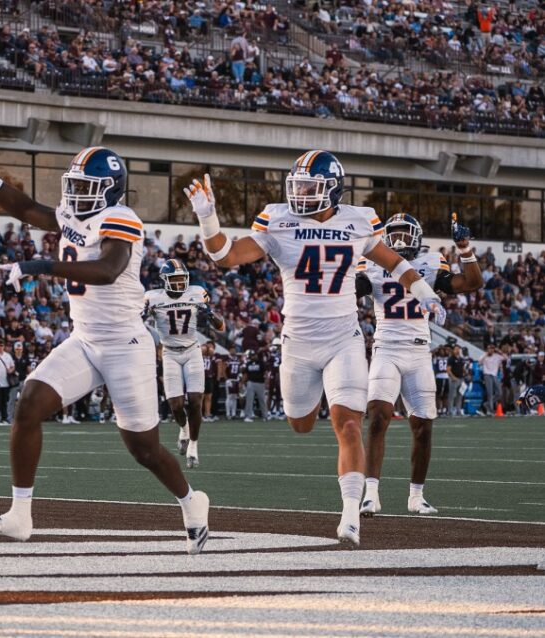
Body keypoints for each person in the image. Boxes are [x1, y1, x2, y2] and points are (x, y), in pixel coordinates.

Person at [0, 141, 209, 554]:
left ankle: (190, 500)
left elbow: (108, 269)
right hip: (85, 339)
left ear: (111, 189)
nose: (76, 194)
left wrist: (40, 266)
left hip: (125, 344)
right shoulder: (75, 215)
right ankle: (20, 516)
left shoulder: (121, 217)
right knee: (28, 403)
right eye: (73, 184)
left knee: (144, 449)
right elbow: (27, 209)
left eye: (86, 186)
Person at [184, 150, 444, 547]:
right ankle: (329, 433)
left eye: (310, 187)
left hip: (344, 338)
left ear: (334, 189)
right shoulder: (278, 219)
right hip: (298, 343)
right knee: (300, 423)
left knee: (349, 424)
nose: (301, 194)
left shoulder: (359, 220)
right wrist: (208, 217)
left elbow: (395, 262)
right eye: (299, 186)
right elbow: (225, 255)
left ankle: (350, 517)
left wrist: (424, 291)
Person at [356, 213, 482, 517]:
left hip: (419, 351)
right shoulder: (372, 261)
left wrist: (465, 249)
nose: (399, 240)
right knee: (377, 417)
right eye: (395, 234)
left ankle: (416, 496)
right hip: (386, 348)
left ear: (417, 236)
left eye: (405, 233)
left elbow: (471, 282)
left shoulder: (431, 261)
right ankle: (370, 494)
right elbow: (355, 288)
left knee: (423, 427)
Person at [142, 259, 224, 468]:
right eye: (175, 279)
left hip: (192, 350)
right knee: (176, 405)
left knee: (195, 400)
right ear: (165, 280)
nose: (180, 283)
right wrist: (141, 315)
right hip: (169, 353)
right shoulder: (153, 298)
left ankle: (193, 446)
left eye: (182, 279)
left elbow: (221, 326)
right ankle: (184, 429)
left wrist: (209, 314)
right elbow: (136, 323)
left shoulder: (196, 293)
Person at [242, 347, 270, 422]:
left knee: (262, 400)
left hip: (260, 383)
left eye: (254, 355)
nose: (254, 356)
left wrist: (267, 382)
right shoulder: (248, 363)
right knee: (249, 400)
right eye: (252, 355)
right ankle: (248, 416)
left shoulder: (261, 363)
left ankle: (265, 416)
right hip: (250, 382)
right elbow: (246, 374)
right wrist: (242, 382)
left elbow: (265, 372)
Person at [479, 344, 505, 415]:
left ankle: (487, 404)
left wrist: (499, 351)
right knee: (489, 393)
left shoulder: (497, 356)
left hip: (494, 375)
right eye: (489, 349)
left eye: (492, 349)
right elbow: (479, 362)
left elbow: (506, 358)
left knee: (499, 392)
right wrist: (486, 354)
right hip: (487, 375)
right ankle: (490, 410)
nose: (491, 350)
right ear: (487, 349)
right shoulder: (484, 356)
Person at [447, 344, 467, 417]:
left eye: (458, 349)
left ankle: (458, 410)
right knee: (452, 396)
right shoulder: (451, 358)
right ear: (453, 350)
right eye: (456, 349)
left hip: (461, 378)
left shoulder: (461, 359)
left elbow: (463, 368)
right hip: (454, 379)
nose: (457, 350)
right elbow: (448, 370)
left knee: (460, 396)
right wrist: (453, 377)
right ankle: (450, 411)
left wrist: (465, 373)